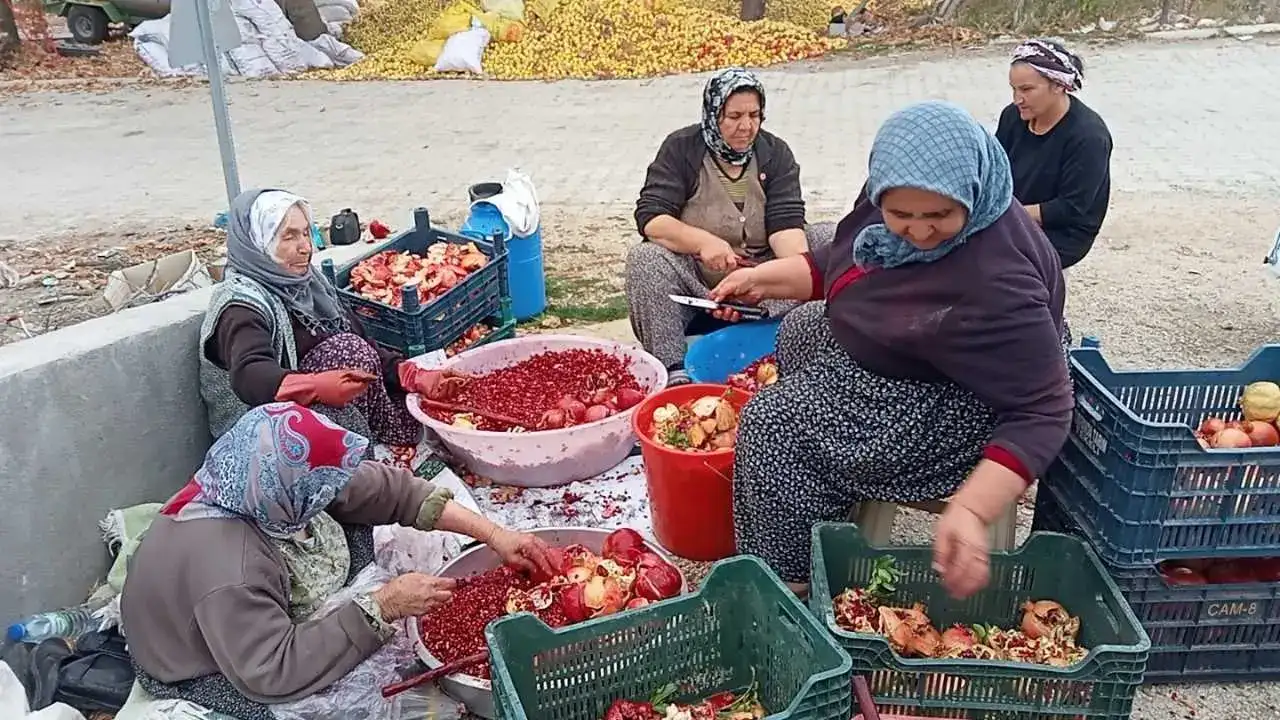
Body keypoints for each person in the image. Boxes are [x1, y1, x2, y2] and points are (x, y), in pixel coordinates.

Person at [711, 101, 1072, 600]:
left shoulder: (998, 281)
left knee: (773, 425)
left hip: (965, 403)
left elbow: (1044, 409)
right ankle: (821, 494)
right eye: (901, 215)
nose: (919, 232)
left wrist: (972, 509)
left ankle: (793, 586)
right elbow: (846, 262)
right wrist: (761, 279)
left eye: (940, 215)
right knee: (800, 328)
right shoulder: (892, 201)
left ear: (972, 193)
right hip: (923, 358)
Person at [120, 402, 554, 720]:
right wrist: (382, 606)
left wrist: (495, 534)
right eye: (322, 490)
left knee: (384, 533)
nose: (333, 491)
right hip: (207, 664)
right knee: (337, 699)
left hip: (241, 612)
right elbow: (272, 670)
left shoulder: (263, 475)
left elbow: (390, 491)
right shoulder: (231, 568)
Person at [627, 67, 832, 386]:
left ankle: (819, 342)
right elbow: (652, 219)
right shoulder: (682, 149)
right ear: (713, 114)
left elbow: (786, 225)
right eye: (734, 116)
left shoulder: (774, 153)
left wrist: (772, 278)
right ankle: (673, 369)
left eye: (754, 115)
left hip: (761, 280)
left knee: (831, 237)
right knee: (645, 259)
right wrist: (703, 243)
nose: (746, 126)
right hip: (699, 282)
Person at [200, 188, 436, 449]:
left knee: (410, 404)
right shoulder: (241, 304)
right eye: (289, 236)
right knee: (347, 354)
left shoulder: (310, 285)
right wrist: (312, 386)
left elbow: (362, 342)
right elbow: (250, 374)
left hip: (308, 409)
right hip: (258, 432)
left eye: (305, 233)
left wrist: (410, 374)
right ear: (256, 243)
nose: (305, 247)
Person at [996, 39, 1112, 271]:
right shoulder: (1013, 117)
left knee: (990, 259)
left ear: (1058, 85)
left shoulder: (1089, 136)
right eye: (1014, 89)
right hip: (1013, 216)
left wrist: (1005, 215)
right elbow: (995, 168)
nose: (1017, 99)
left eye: (1027, 89)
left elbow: (1071, 208)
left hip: (1062, 232)